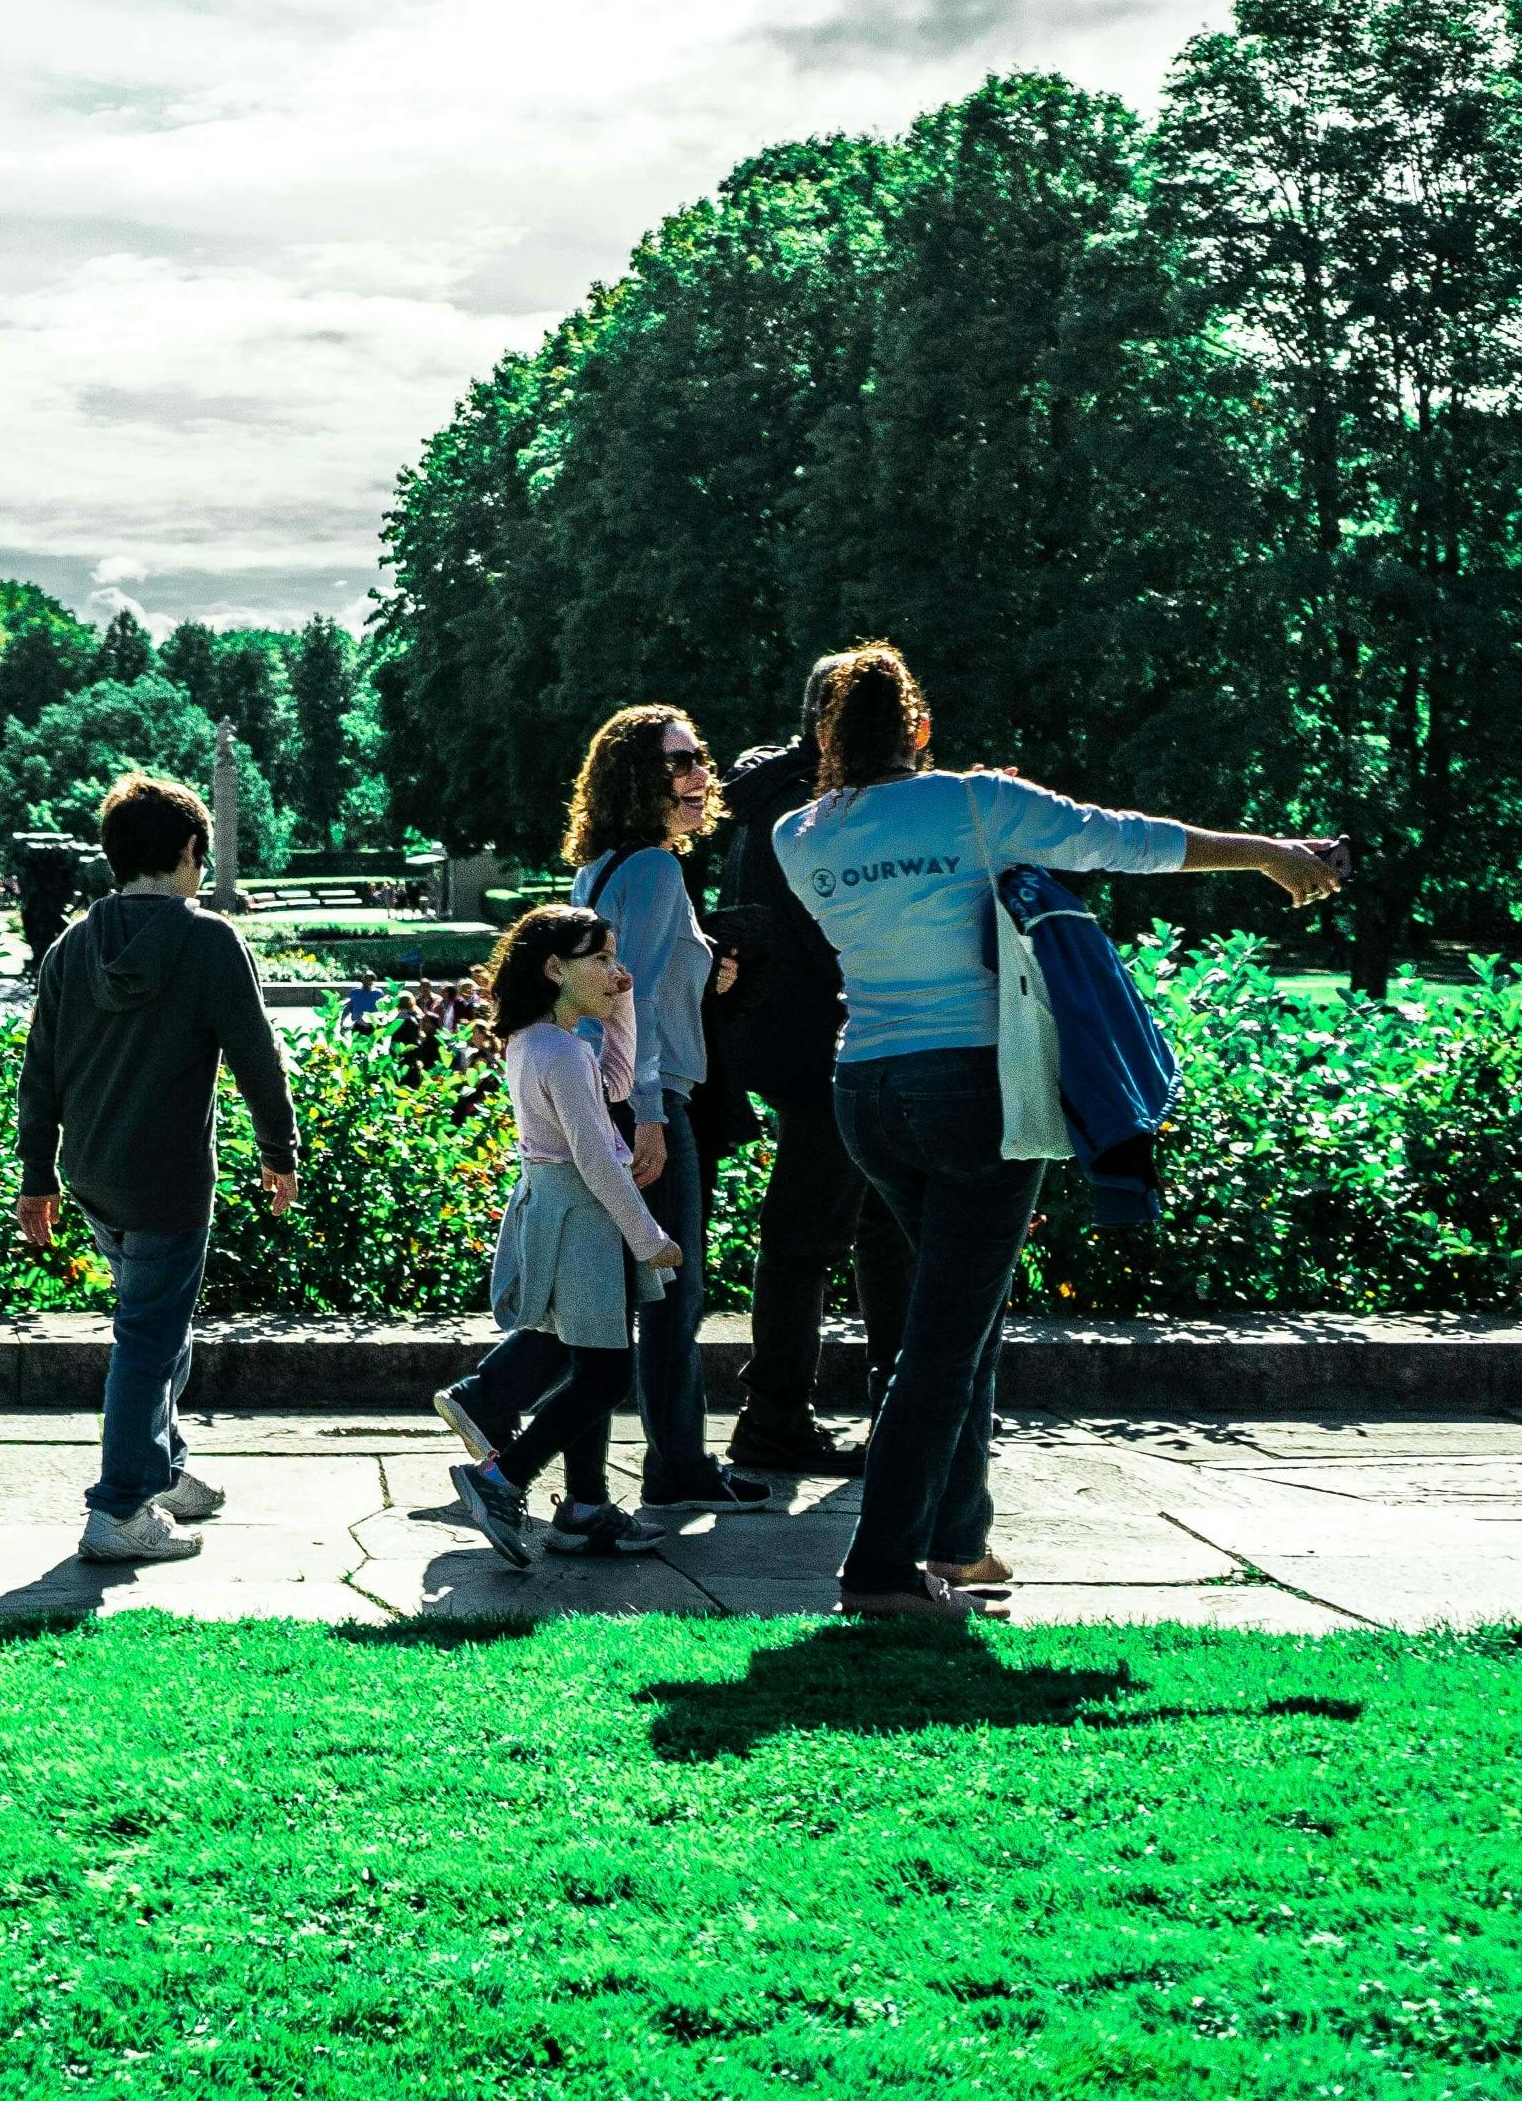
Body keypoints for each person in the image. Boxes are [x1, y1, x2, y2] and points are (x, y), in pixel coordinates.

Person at [776, 642, 1343, 1619]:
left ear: (825, 736)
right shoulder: (972, 804)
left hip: (864, 1093)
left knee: (959, 1316)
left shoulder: (799, 834)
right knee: (941, 1340)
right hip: (972, 1092)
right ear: (917, 726)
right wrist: (1267, 852)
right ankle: (877, 1569)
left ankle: (957, 1541)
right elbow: (1122, 837)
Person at [16, 770, 299, 1566]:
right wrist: (281, 1154)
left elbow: (40, 1071)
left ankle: (162, 1467)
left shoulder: (74, 944)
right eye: (200, 855)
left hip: (93, 1173)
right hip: (170, 1177)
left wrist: (37, 1176)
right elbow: (257, 1061)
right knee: (149, 1335)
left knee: (156, 1323)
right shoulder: (209, 939)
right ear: (186, 851)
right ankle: (120, 1509)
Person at [563, 707, 771, 1514]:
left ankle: (657, 1461)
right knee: (672, 1293)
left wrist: (704, 973)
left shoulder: (606, 868)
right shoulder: (653, 868)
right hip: (648, 1102)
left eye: (699, 759)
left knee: (619, 1288)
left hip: (610, 1094)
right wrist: (649, 1114)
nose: (698, 777)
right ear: (636, 781)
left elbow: (628, 977)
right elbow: (631, 995)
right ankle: (678, 1465)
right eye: (678, 764)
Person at [434, 906, 686, 1565]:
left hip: (565, 1214)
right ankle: (502, 1479)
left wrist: (620, 1012)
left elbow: (617, 1085)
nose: (615, 971)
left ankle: (581, 1510)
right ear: (553, 969)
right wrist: (647, 1235)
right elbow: (597, 1158)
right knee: (604, 1374)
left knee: (592, 1365)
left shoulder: (541, 1043)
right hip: (583, 1222)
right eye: (599, 958)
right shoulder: (560, 1053)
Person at [712, 658, 911, 1476]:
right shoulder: (819, 812)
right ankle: (786, 1417)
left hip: (786, 1035)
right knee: (832, 1232)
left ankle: (854, 1406)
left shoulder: (766, 796)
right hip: (839, 1036)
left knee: (852, 1227)